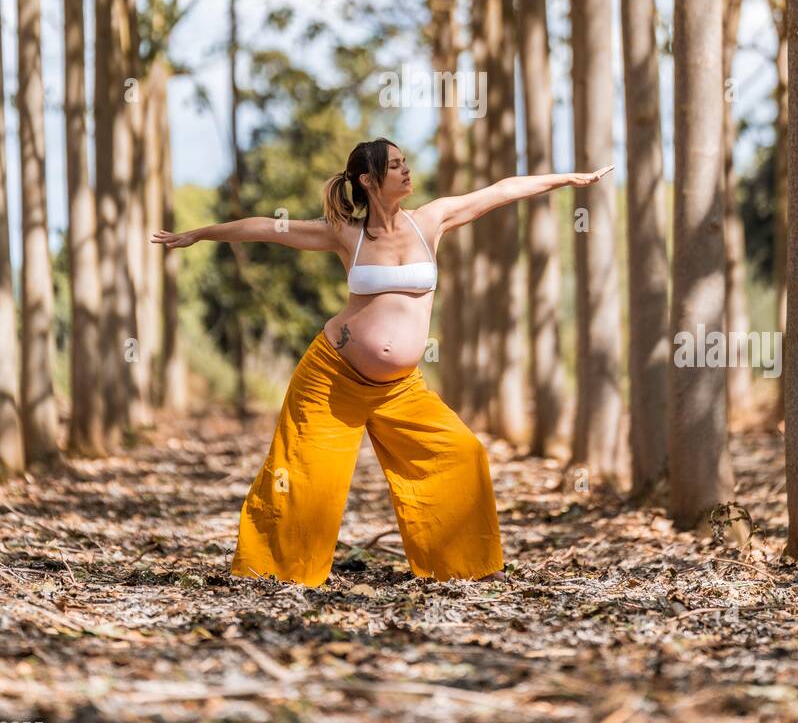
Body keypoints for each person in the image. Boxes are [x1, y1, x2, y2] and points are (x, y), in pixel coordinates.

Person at [152, 138, 613, 587]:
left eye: (405, 161)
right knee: (303, 476)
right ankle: (273, 571)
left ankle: (463, 567)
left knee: (461, 452)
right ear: (368, 180)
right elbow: (267, 228)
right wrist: (201, 233)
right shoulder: (345, 234)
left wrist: (569, 179)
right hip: (331, 378)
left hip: (400, 388)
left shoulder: (429, 221)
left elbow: (500, 190)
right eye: (395, 165)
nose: (406, 169)